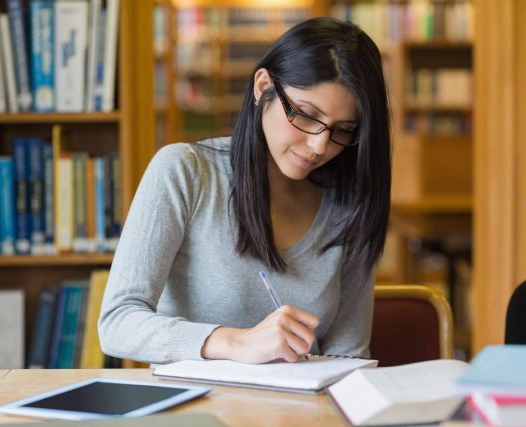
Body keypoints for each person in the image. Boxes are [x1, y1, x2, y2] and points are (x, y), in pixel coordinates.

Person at [99, 17, 391, 365]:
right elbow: (117, 323)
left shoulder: (349, 204)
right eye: (306, 115)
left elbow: (347, 356)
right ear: (263, 85)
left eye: (343, 130)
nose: (318, 145)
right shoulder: (185, 172)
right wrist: (236, 343)